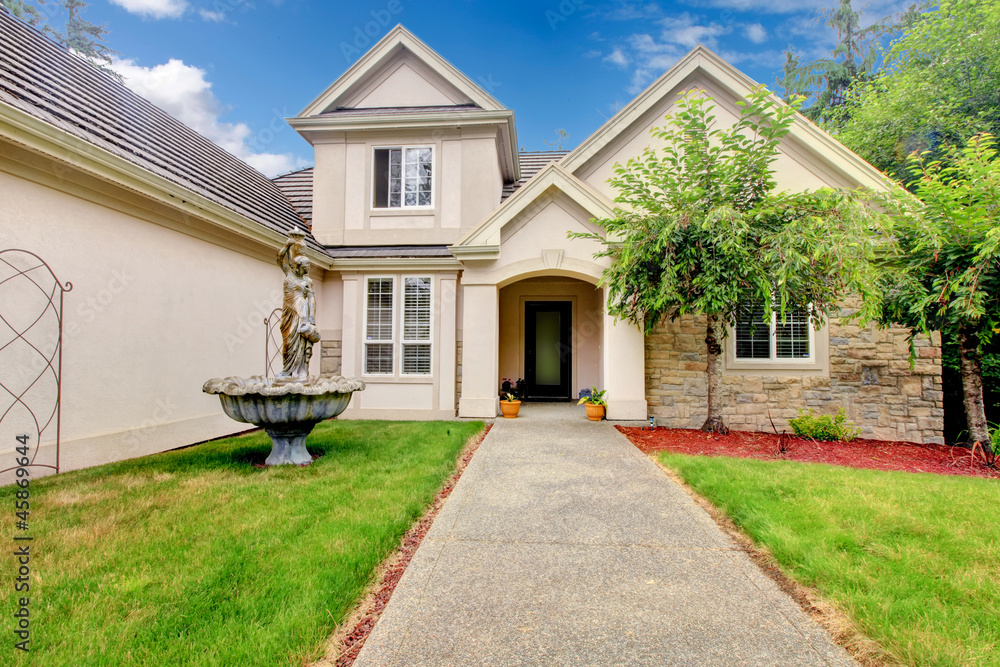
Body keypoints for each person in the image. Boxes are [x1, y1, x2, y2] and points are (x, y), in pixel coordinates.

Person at [276, 231, 320, 378]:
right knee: (288, 341)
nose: (306, 271)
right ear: (297, 266)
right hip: (288, 312)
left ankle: (301, 370)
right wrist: (288, 244)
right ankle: (287, 369)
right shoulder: (288, 272)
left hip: (302, 313)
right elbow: (280, 258)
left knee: (301, 342)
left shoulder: (307, 281)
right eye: (304, 268)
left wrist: (311, 319)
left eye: (308, 268)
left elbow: (312, 299)